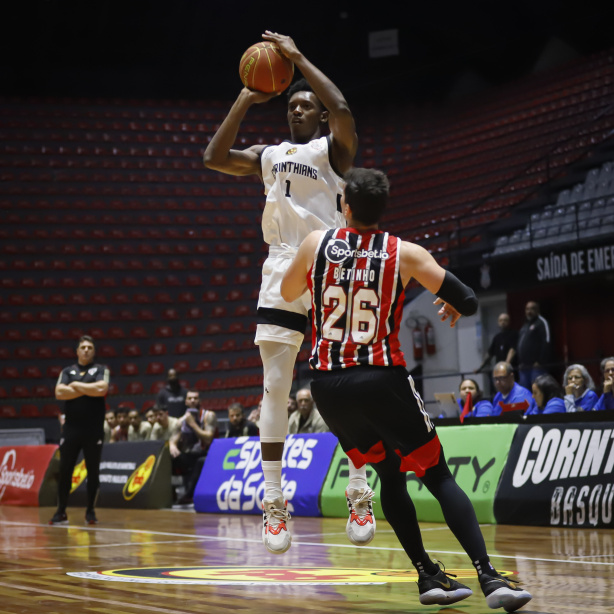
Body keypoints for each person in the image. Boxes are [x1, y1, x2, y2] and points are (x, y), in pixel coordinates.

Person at [280, 167, 531, 610]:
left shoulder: (315, 244)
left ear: (346, 206)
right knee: (437, 474)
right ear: (383, 209)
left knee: (387, 474)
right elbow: (468, 299)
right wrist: (451, 306)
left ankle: (427, 577)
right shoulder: (405, 253)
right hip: (381, 378)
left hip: (327, 385)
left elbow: (287, 290)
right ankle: (490, 577)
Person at [203, 30, 370, 554]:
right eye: (291, 105)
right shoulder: (270, 154)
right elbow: (213, 156)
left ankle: (359, 487)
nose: (295, 112)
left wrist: (297, 59)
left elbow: (341, 104)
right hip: (280, 268)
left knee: (345, 383)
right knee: (275, 386)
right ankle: (274, 501)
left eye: (304, 106)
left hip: (328, 264)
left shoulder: (333, 150)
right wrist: (247, 96)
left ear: (318, 117)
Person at [50, 335, 110, 526]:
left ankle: (90, 512)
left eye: (89, 347)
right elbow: (59, 392)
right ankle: (60, 512)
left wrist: (75, 386)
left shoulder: (101, 370)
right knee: (65, 470)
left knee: (93, 472)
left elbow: (101, 389)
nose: (86, 350)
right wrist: (87, 388)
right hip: (71, 430)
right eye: (82, 347)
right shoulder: (67, 371)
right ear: (77, 351)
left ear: (94, 351)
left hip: (93, 430)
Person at [169, 390, 218, 505]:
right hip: (190, 453)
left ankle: (188, 495)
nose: (192, 401)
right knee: (169, 459)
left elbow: (208, 439)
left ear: (200, 401)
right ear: (186, 401)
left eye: (195, 398)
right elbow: (173, 438)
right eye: (190, 398)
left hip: (208, 453)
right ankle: (171, 494)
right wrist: (172, 446)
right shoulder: (181, 420)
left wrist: (193, 424)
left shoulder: (208, 416)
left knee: (200, 462)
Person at [517, 301, 550, 389]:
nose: (529, 311)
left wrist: (540, 361)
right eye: (527, 309)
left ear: (537, 310)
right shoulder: (525, 325)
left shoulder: (541, 322)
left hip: (536, 367)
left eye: (532, 309)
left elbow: (547, 341)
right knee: (524, 393)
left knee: (538, 391)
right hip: (524, 367)